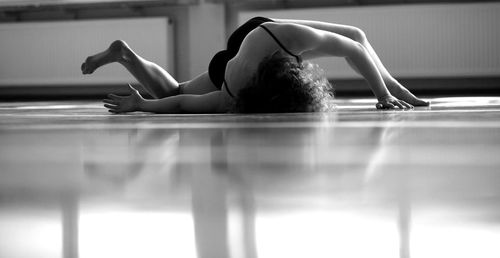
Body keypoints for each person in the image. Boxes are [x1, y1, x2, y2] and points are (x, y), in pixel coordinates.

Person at [81, 16, 430, 114]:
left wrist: (383, 92)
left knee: (357, 33)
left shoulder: (236, 89)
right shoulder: (288, 41)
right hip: (258, 36)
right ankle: (125, 55)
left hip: (258, 37)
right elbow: (180, 103)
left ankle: (396, 88)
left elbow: (354, 46)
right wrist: (143, 105)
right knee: (176, 89)